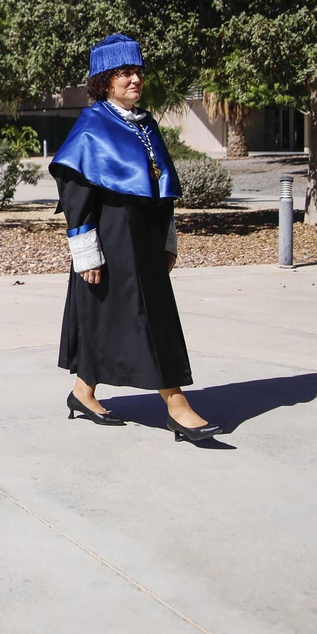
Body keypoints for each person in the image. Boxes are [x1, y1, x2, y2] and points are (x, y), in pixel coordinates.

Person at [50, 34, 220, 443]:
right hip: (109, 237)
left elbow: (161, 190)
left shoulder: (146, 123)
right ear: (104, 80)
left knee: (108, 315)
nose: (134, 79)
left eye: (138, 72)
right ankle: (177, 405)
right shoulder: (93, 123)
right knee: (146, 318)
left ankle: (82, 392)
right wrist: (85, 253)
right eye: (124, 73)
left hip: (144, 238)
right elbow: (76, 193)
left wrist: (168, 240)